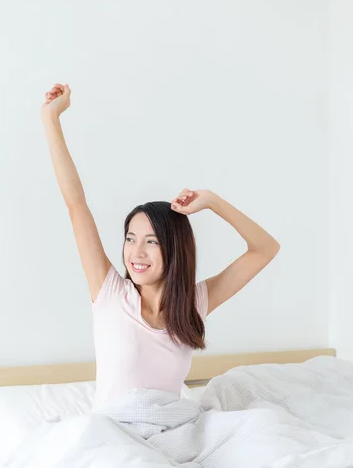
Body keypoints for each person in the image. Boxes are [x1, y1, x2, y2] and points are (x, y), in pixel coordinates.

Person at [41, 83, 280, 406]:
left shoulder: (194, 303)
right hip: (116, 437)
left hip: (170, 433)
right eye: (130, 239)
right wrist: (51, 118)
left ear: (174, 248)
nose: (136, 253)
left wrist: (211, 201)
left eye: (151, 242)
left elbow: (265, 248)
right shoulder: (110, 293)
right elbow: (76, 203)